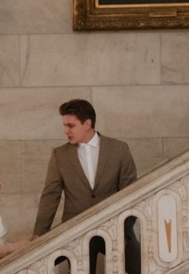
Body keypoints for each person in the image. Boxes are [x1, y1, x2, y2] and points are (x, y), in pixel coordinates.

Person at [34, 100, 138, 235]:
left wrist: (125, 228)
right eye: (64, 125)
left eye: (70, 125)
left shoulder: (119, 149)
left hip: (115, 228)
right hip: (74, 233)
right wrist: (38, 235)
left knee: (136, 255)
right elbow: (50, 196)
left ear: (87, 124)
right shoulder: (59, 155)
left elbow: (131, 191)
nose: (66, 131)